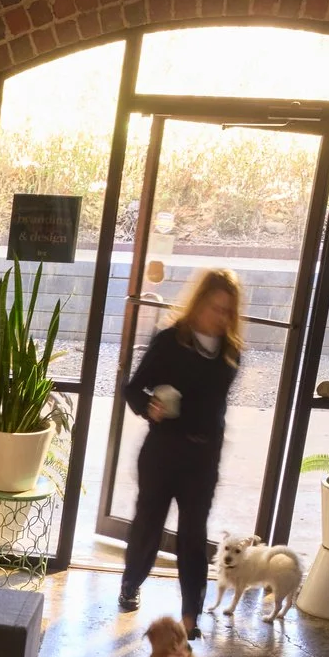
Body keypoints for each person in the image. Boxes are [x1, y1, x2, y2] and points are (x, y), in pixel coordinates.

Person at [120, 267, 245, 635]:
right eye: (214, 307)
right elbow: (133, 389)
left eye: (227, 310)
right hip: (162, 453)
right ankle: (131, 582)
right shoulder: (170, 341)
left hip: (202, 459)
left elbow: (214, 407)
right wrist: (151, 407)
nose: (220, 317)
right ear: (198, 303)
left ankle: (191, 615)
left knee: (193, 537)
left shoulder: (231, 352)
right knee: (148, 525)